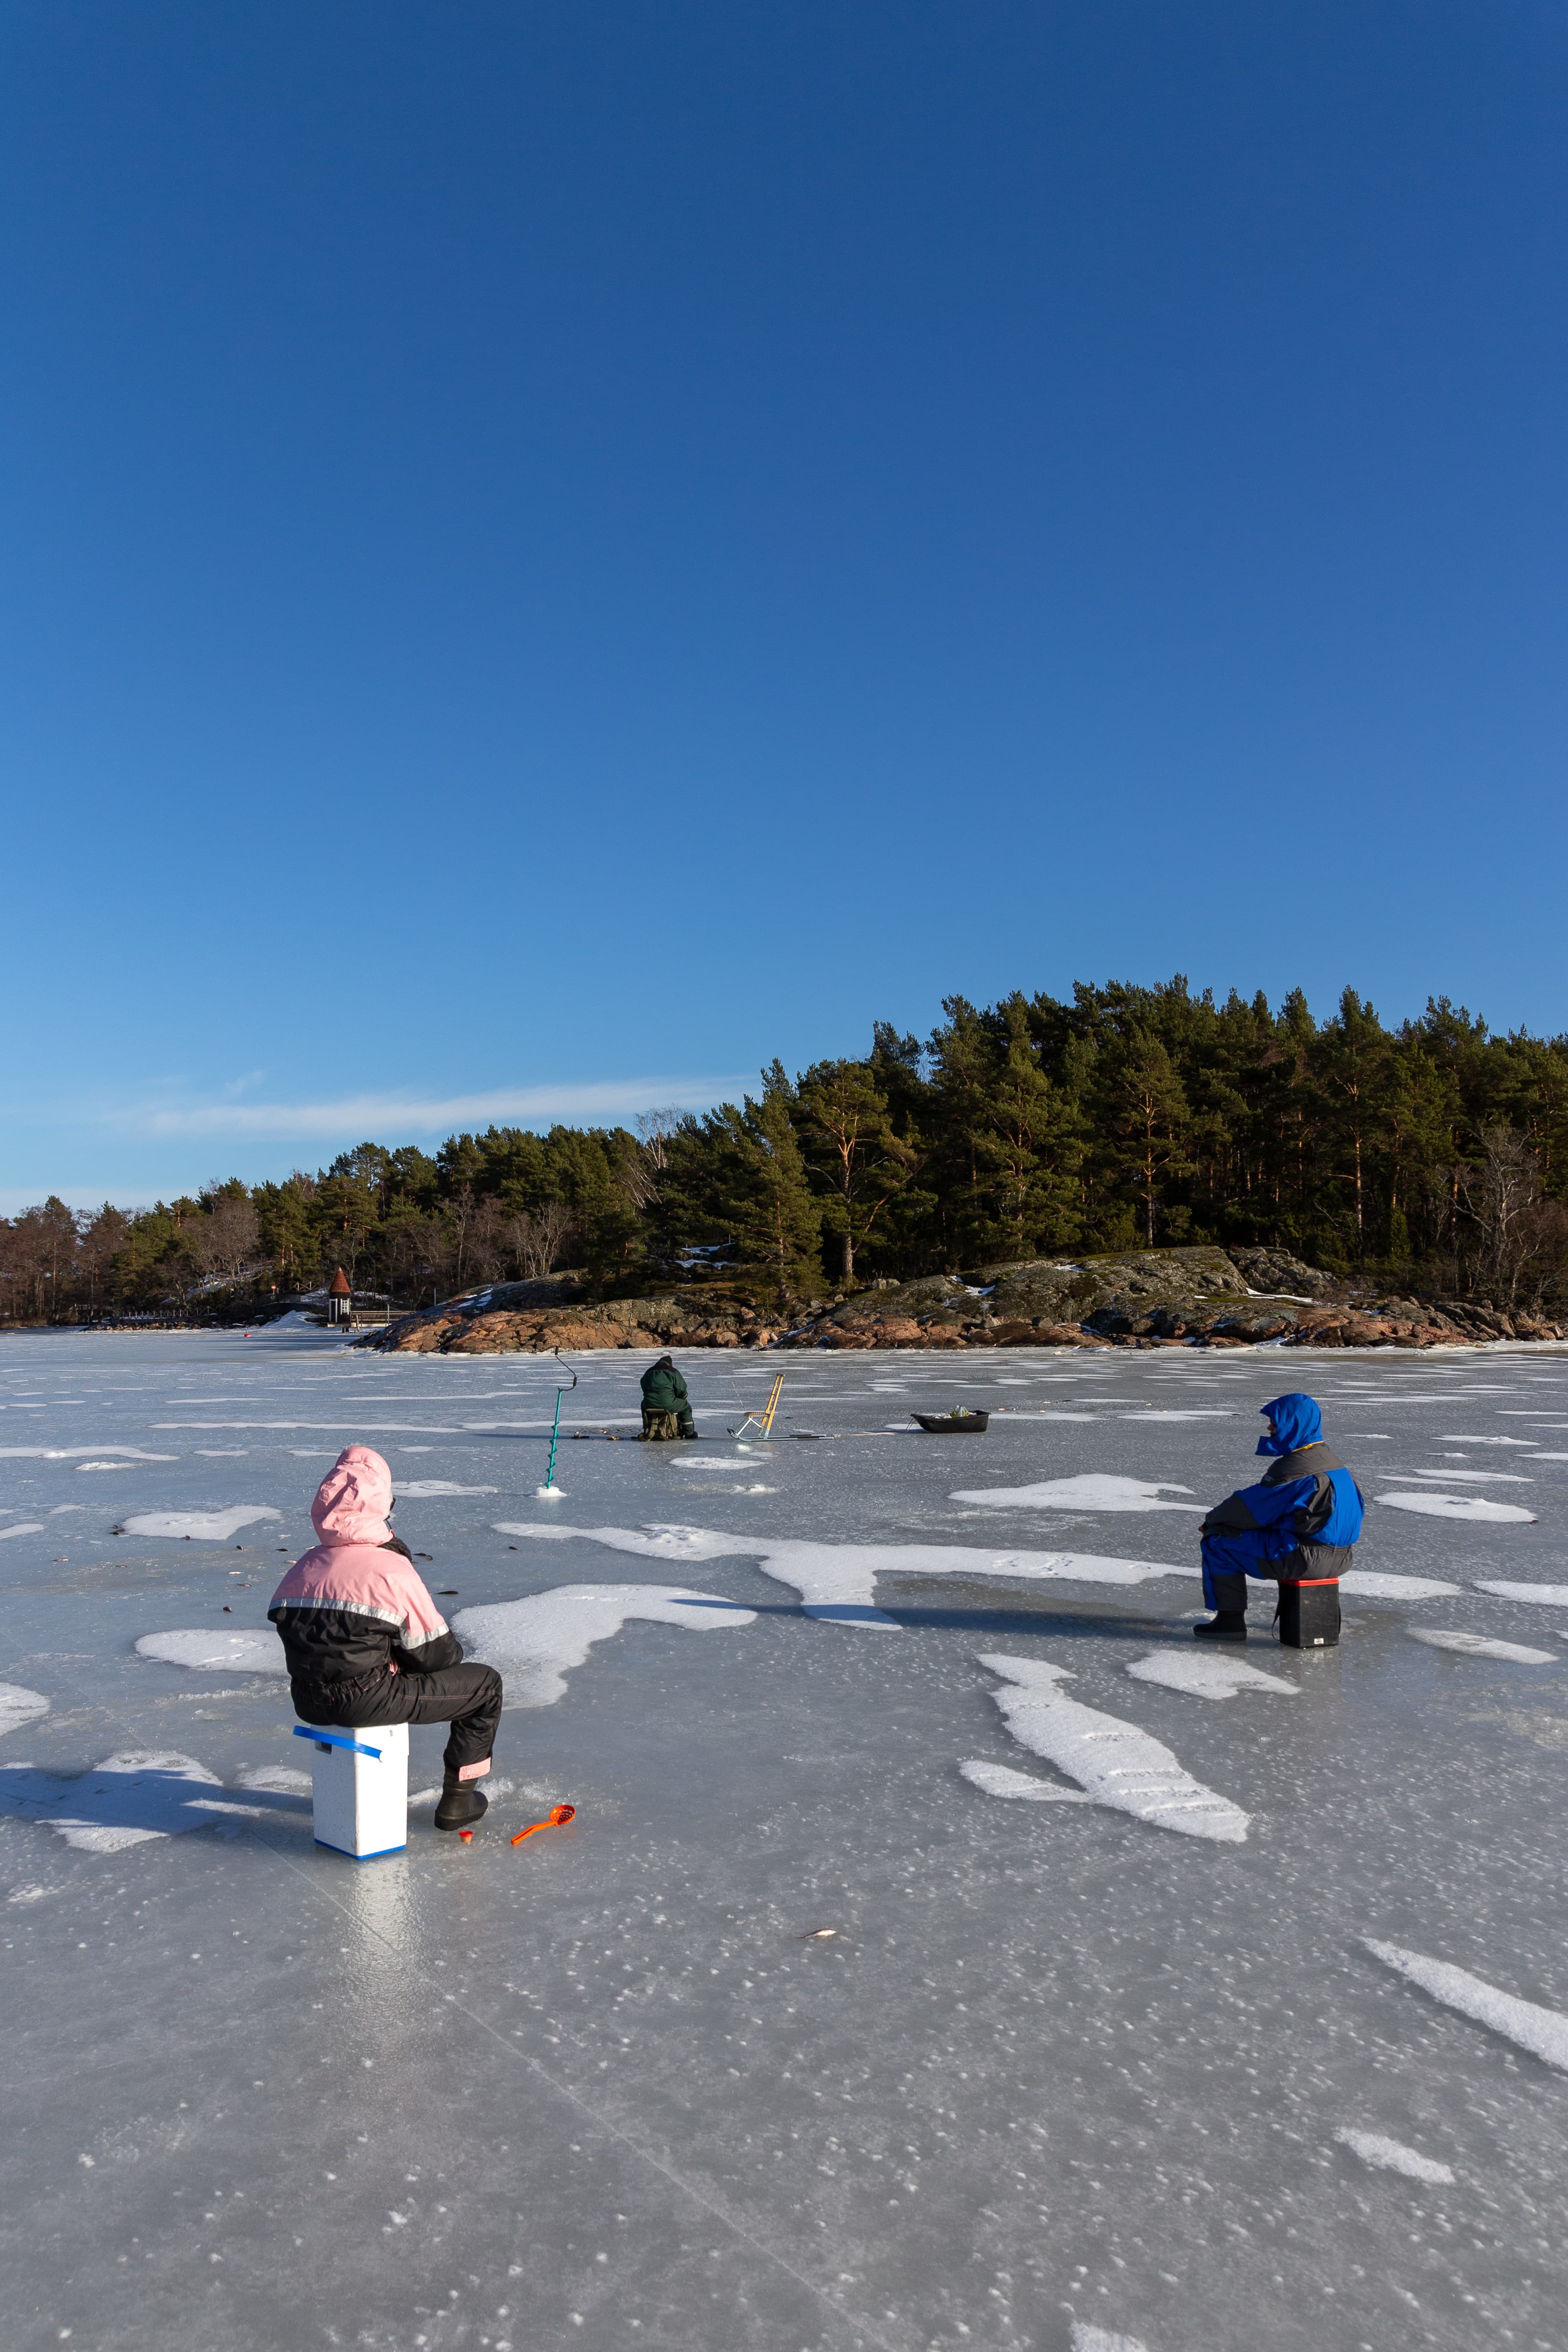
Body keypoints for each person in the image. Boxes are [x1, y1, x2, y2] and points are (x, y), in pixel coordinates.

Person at [269, 1445, 502, 1832]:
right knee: (485, 1687)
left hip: (307, 1700)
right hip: (367, 1698)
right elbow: (437, 1656)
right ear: (383, 1505)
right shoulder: (389, 1569)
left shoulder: (303, 1567)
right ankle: (459, 1800)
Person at [1195, 1392, 1364, 1642]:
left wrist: (1212, 1522)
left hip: (1304, 1560)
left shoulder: (1298, 1469)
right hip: (1342, 1558)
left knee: (1217, 1542)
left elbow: (1249, 1510)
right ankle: (1322, 1619)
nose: (1270, 1427)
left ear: (1293, 1424)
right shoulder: (1334, 1464)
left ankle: (1229, 1622)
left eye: (1275, 1422)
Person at [640, 1353, 698, 1441]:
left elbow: (643, 1386)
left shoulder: (648, 1372)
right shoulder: (673, 1371)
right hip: (668, 1404)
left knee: (643, 1405)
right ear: (670, 1364)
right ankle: (689, 1433)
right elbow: (682, 1390)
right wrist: (683, 1396)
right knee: (686, 1408)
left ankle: (647, 1429)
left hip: (648, 1404)